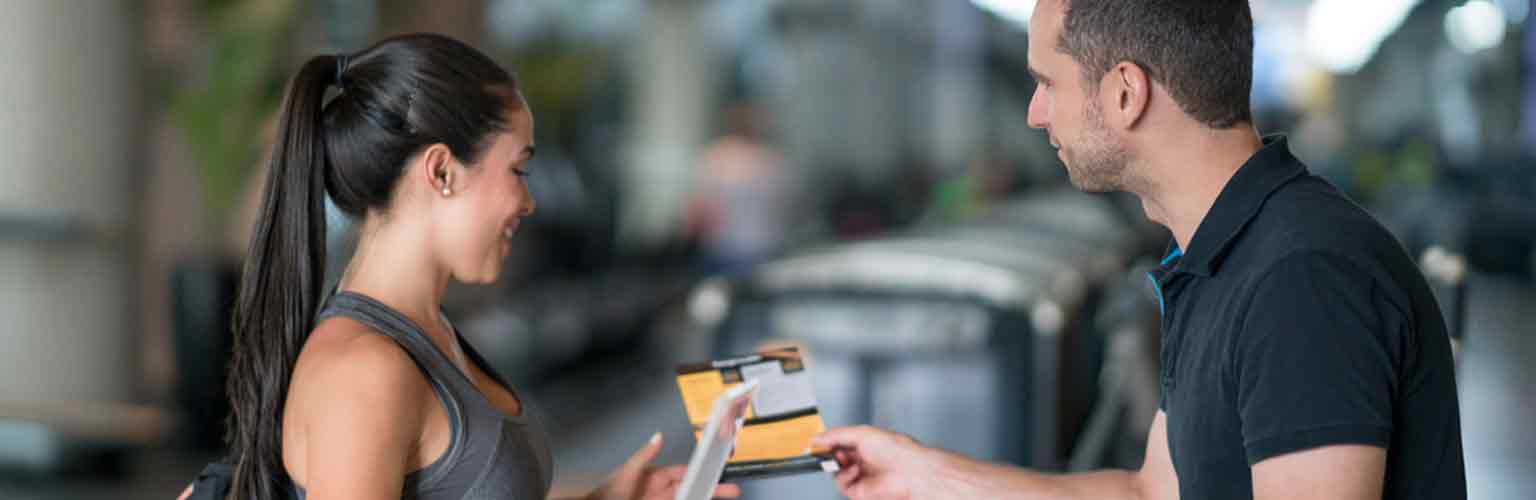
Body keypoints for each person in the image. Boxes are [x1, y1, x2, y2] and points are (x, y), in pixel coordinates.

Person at [813, 1, 1467, 499]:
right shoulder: (1217, 260)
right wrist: (926, 474)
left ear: (1126, 93)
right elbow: (1151, 491)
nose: (1036, 114)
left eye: (1049, 83)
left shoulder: (1301, 279)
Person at [176, 33, 741, 500]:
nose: (529, 201)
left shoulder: (431, 335)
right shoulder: (363, 370)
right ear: (442, 171)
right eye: (517, 170)